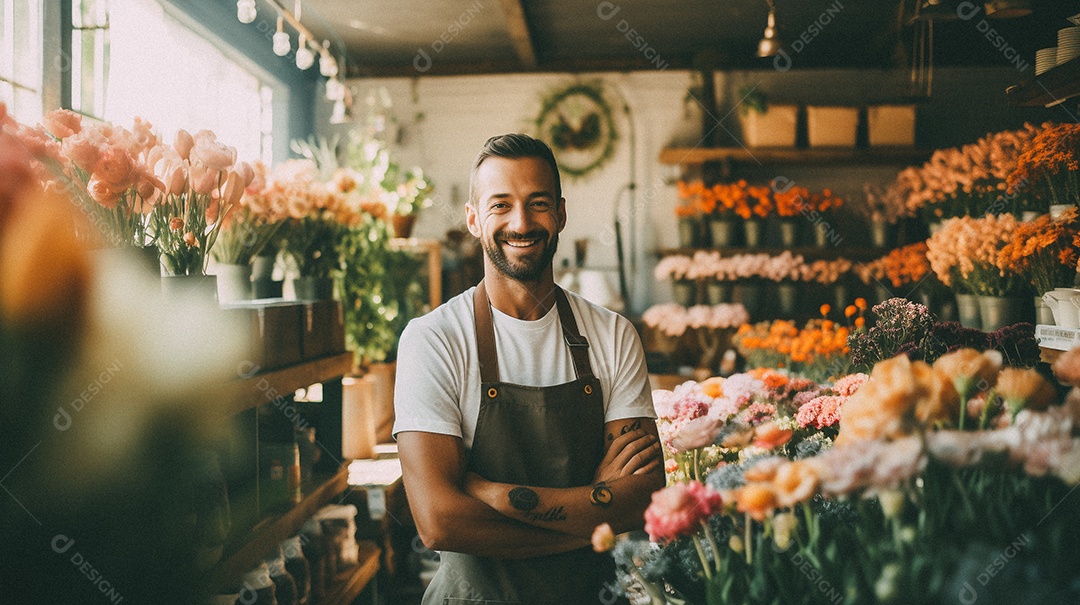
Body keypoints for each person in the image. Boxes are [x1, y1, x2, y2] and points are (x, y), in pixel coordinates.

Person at [394, 133, 665, 604]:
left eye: (537, 203)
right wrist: (592, 516)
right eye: (501, 205)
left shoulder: (613, 335)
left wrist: (498, 496)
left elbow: (642, 494)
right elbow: (439, 522)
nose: (521, 222)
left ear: (560, 213)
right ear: (474, 219)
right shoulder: (433, 340)